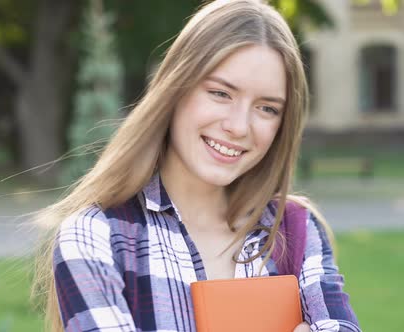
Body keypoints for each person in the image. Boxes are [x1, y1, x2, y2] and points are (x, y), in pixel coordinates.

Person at [32, 0, 361, 331]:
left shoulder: (294, 229)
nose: (239, 126)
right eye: (220, 93)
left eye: (267, 108)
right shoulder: (95, 236)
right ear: (175, 89)